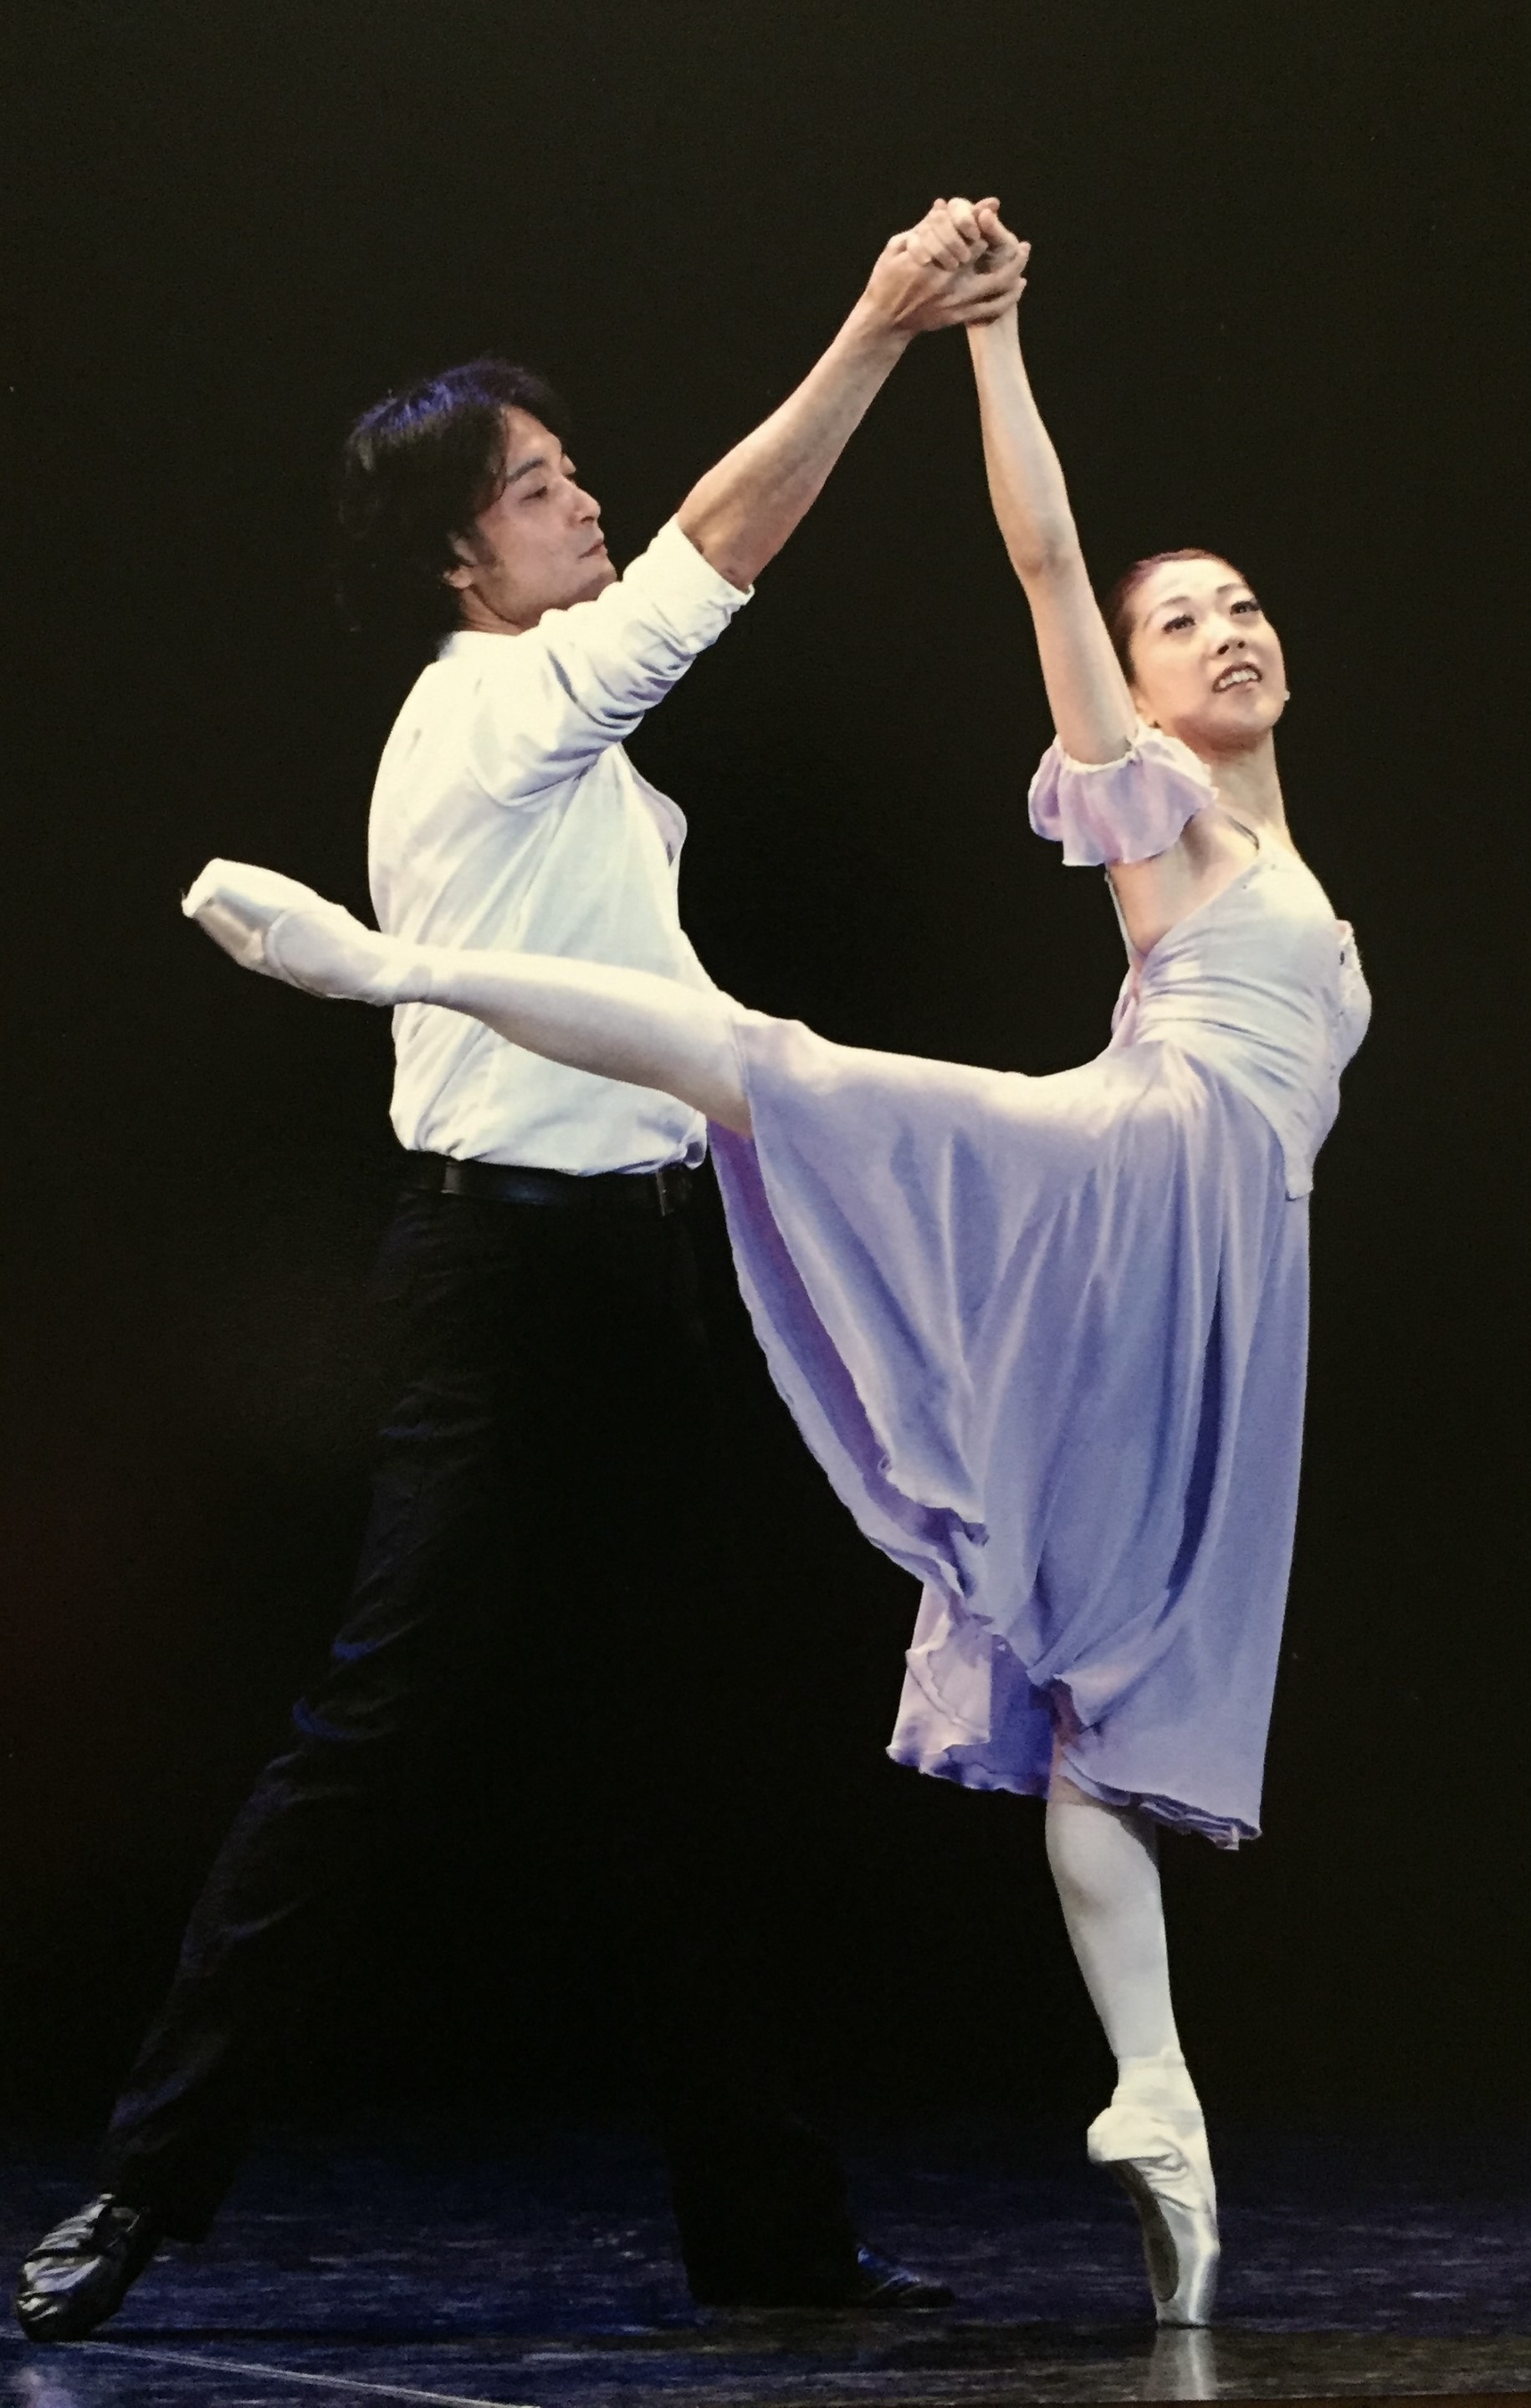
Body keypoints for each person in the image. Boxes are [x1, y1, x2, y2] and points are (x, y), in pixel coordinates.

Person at [149, 207, 1365, 2330]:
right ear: (462, 558)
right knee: (763, 1079)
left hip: (1146, 1268)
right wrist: (954, 334)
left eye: (1245, 604)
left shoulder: (1270, 851)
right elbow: (1011, 560)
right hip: (748, 1224)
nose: (1230, 630)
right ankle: (378, 970)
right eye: (542, 489)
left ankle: (1103, 2121)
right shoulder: (1131, 808)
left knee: (1021, 1664)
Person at [15, 198, 1032, 2347]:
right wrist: (877, 324)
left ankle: (769, 2237)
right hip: (496, 1282)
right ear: (458, 561)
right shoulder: (490, 709)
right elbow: (717, 555)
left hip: (645, 1280)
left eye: (574, 473)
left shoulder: (572, 763)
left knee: (695, 1755)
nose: (582, 501)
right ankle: (139, 2193)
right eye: (540, 486)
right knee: (373, 1725)